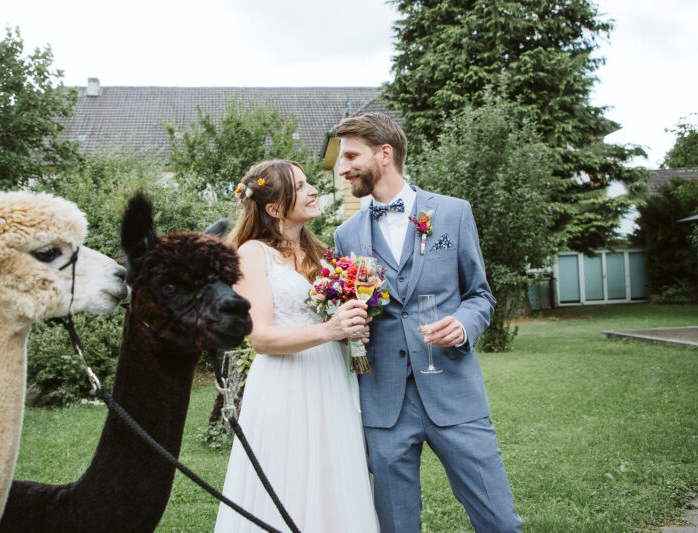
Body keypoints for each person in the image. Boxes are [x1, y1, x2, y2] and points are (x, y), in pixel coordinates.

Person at [332, 112, 522, 533]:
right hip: (384, 405)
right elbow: (351, 310)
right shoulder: (346, 235)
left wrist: (464, 324)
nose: (342, 168)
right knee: (397, 527)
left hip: (455, 393)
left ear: (385, 154)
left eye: (350, 156)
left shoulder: (454, 214)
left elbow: (480, 295)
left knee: (500, 522)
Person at [214, 160, 379, 532]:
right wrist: (331, 330)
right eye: (301, 186)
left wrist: (352, 327)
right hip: (285, 387)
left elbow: (332, 319)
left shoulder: (322, 253)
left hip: (331, 382)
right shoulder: (252, 254)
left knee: (333, 480)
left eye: (309, 183)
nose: (313, 190)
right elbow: (261, 338)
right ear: (274, 208)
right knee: (288, 480)